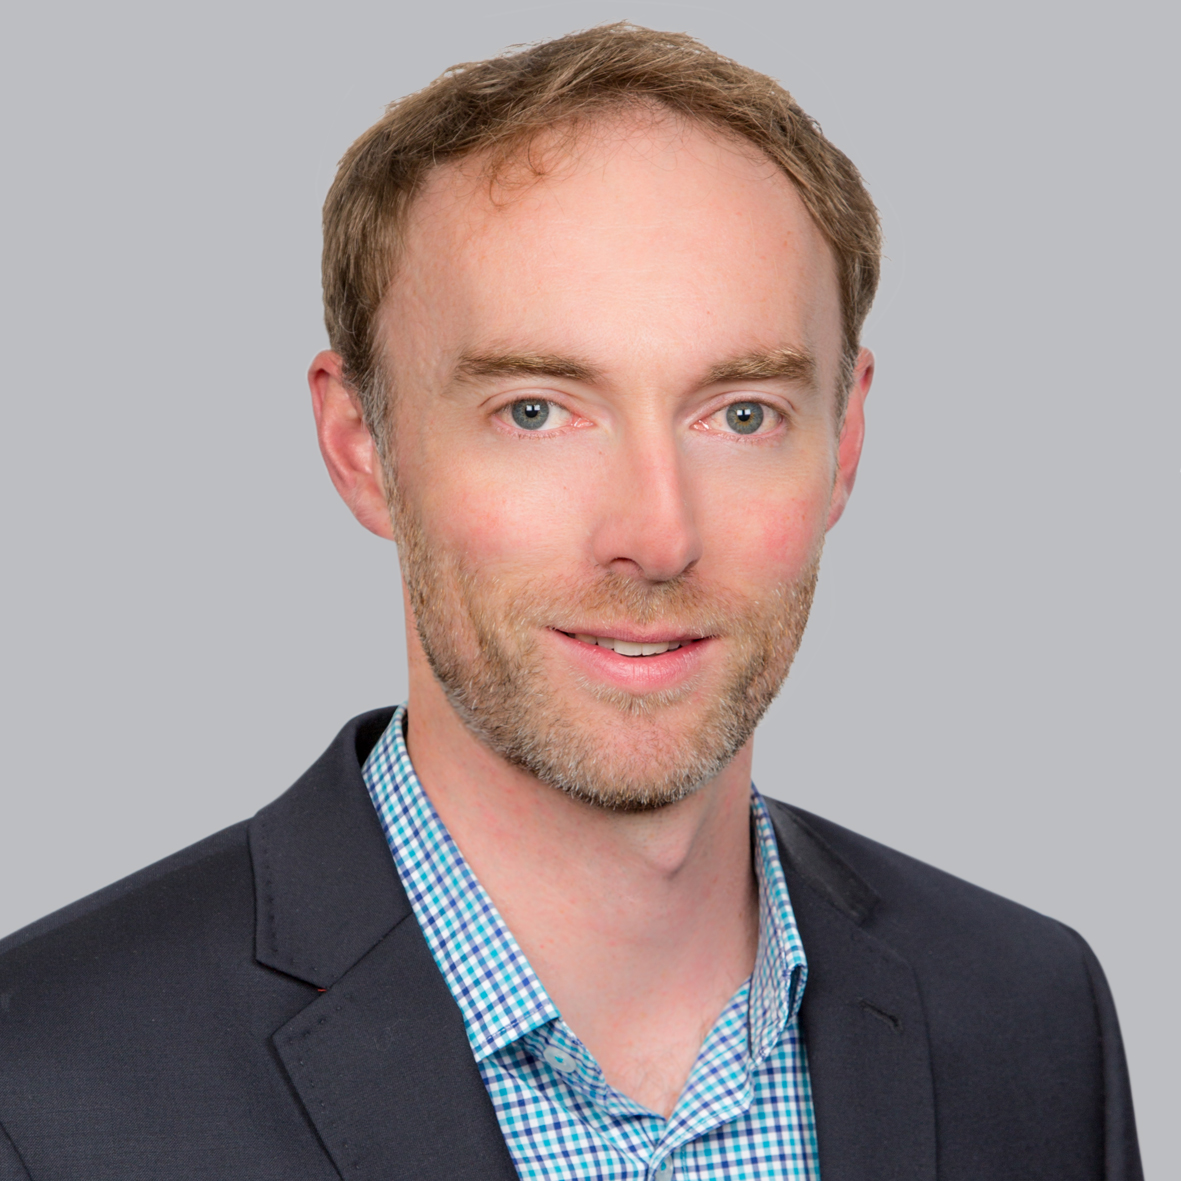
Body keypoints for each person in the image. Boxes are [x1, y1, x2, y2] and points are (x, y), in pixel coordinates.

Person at [0, 23, 1141, 1180]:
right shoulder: (40, 1081)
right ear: (360, 445)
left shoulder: (1029, 1017)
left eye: (741, 413)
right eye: (535, 411)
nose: (655, 534)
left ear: (843, 442)